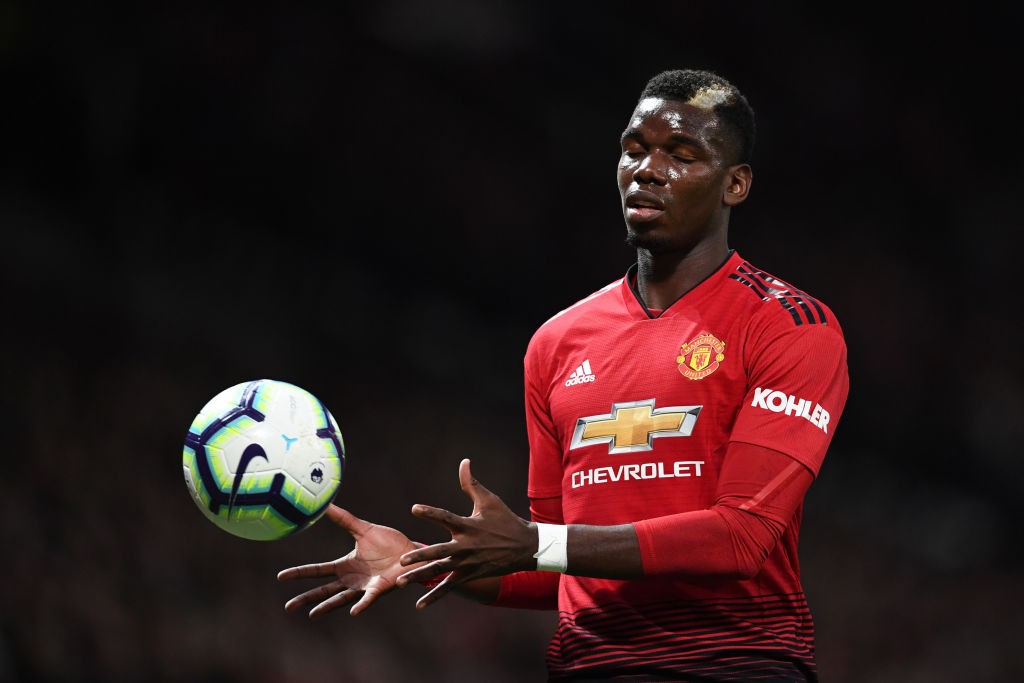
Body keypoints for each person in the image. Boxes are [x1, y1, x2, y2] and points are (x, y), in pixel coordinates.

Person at [278, 68, 850, 682]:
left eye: (682, 155)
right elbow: (558, 563)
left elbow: (741, 538)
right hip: (587, 668)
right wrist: (424, 560)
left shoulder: (790, 325)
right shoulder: (556, 343)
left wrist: (537, 544)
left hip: (733, 665)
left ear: (735, 184)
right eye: (634, 150)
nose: (648, 170)